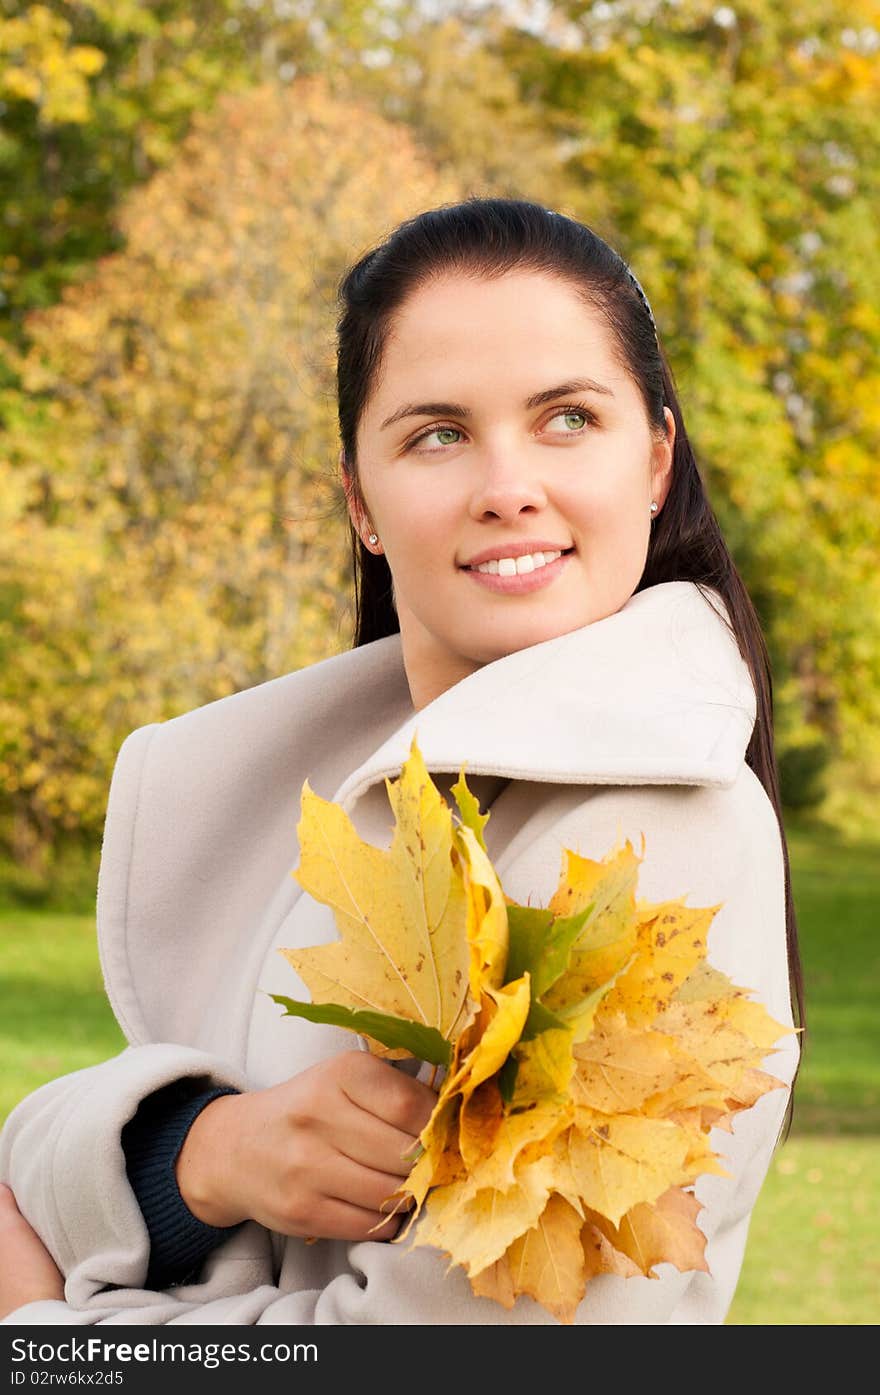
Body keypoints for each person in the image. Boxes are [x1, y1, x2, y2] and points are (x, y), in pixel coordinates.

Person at [0, 196, 803, 1325]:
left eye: (567, 418)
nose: (506, 485)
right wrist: (200, 1154)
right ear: (359, 503)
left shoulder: (647, 837)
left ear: (658, 460)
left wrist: (43, 1343)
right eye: (438, 433)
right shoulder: (335, 792)